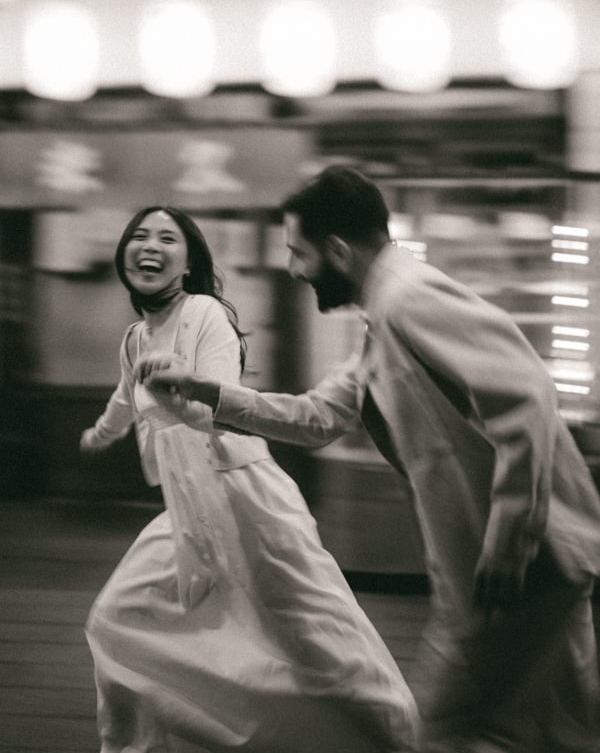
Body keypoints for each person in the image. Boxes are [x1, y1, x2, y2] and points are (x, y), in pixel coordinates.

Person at [139, 168, 600, 753]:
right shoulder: (382, 314)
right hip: (514, 572)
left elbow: (527, 393)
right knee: (558, 729)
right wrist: (205, 391)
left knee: (447, 730)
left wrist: (511, 537)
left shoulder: (410, 297)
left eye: (298, 252)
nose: (293, 268)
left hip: (514, 572)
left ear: (337, 251)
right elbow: (317, 417)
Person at [80, 204, 419, 753]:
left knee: (318, 644)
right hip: (186, 511)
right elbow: (125, 397)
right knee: (116, 620)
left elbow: (218, 407)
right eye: (140, 236)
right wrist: (101, 433)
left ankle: (396, 736)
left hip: (247, 499)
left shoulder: (205, 315)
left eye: (167, 238)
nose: (150, 246)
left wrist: (182, 399)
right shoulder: (136, 338)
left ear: (189, 264)